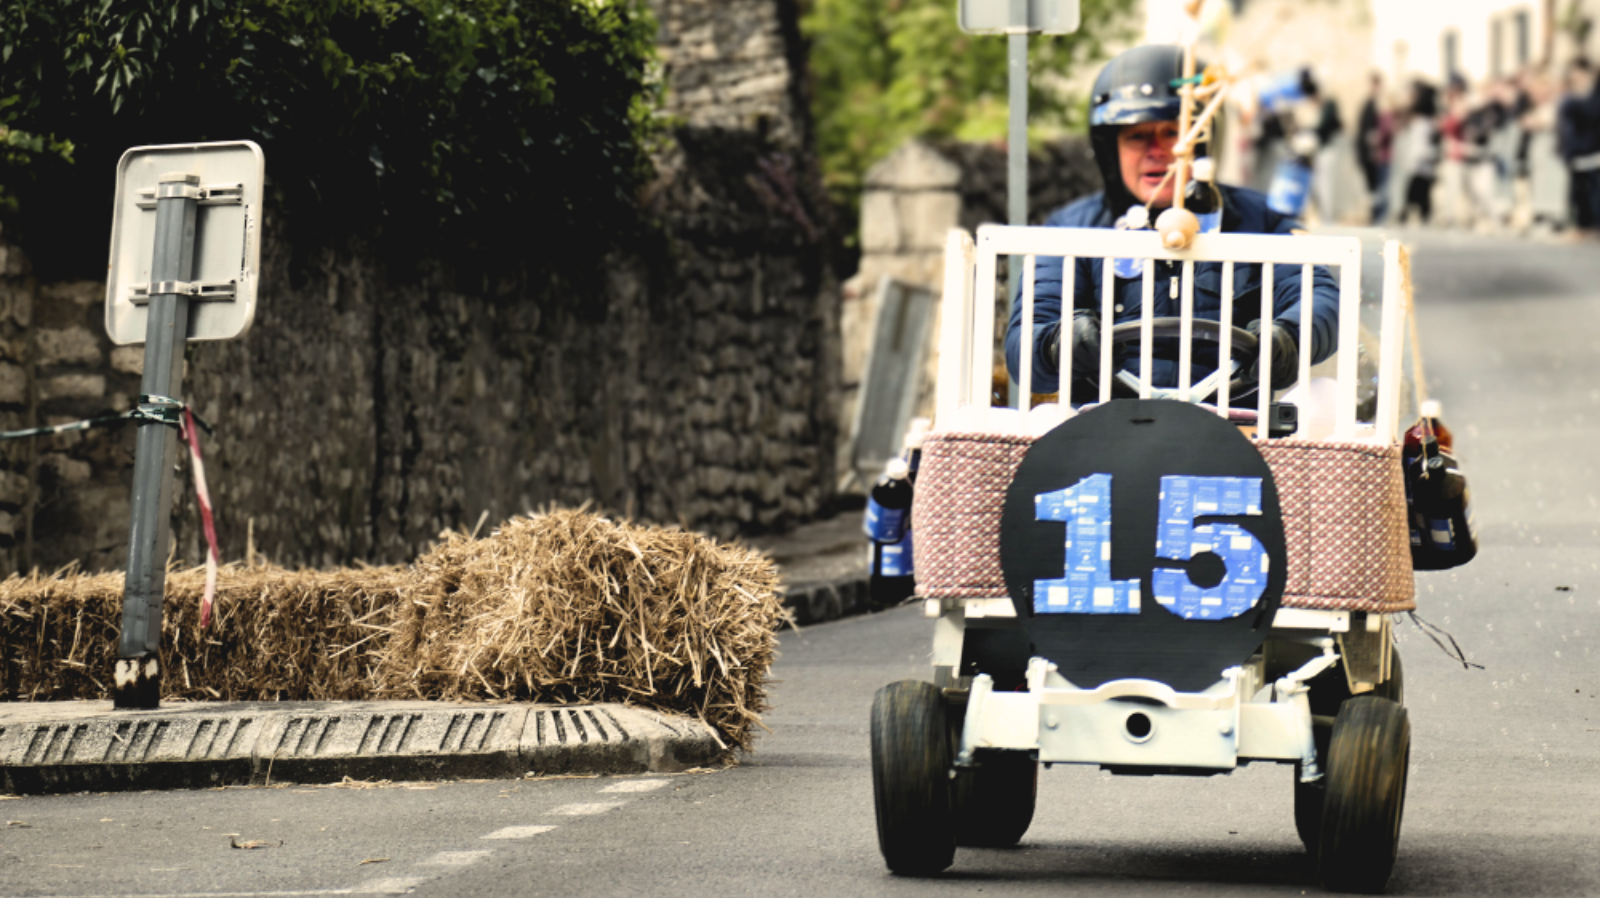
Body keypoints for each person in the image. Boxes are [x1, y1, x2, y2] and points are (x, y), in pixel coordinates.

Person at [1003, 45, 1340, 403]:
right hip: (1104, 432)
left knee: (1326, 397)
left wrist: (1289, 335)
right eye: (1136, 135)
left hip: (1234, 433)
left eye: (1172, 132)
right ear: (1110, 148)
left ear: (1205, 142)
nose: (1157, 150)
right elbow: (1024, 342)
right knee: (1039, 421)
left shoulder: (1260, 220)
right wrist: (1060, 343)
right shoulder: (1070, 231)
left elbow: (1319, 296)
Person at [1557, 58, 1600, 238]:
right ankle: (1582, 225)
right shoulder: (1570, 96)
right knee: (1578, 192)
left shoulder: (1592, 96)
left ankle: (1594, 226)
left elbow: (1591, 113)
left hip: (1593, 151)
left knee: (1594, 192)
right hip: (1575, 151)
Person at [1356, 73, 1394, 224]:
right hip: (1371, 155)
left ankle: (1379, 218)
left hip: (1379, 155)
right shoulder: (1369, 105)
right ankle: (1376, 217)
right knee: (1374, 189)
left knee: (1379, 188)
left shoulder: (1378, 105)